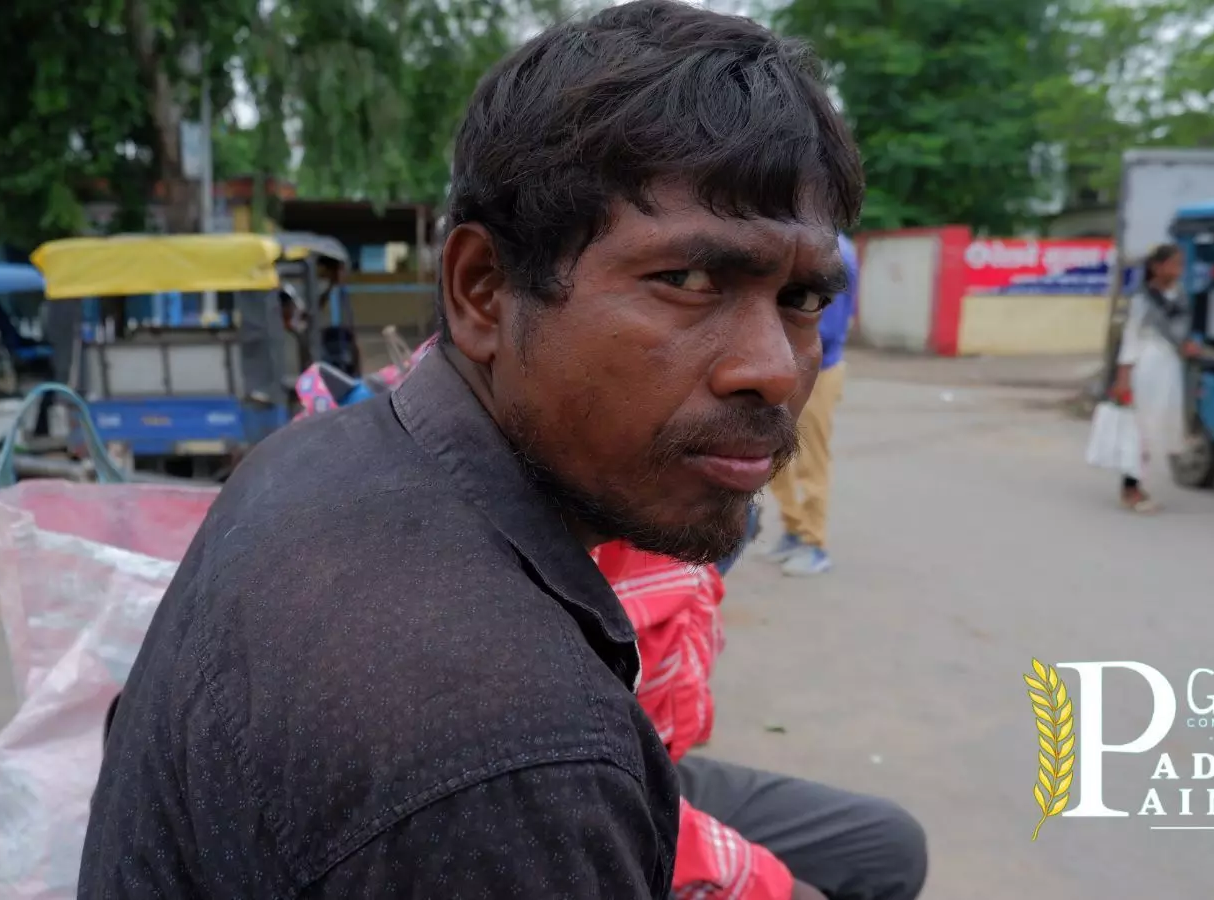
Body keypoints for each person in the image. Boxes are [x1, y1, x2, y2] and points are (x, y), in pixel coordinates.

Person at [79, 2, 864, 897]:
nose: (772, 369)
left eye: (801, 299)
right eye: (686, 280)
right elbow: (509, 770)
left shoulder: (316, 450)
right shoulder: (513, 752)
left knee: (879, 847)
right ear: (483, 291)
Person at [595, 540, 927, 900]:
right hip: (587, 796)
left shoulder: (676, 524)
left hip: (646, 765)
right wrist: (765, 886)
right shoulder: (550, 574)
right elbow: (579, 793)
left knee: (888, 847)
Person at [762, 233, 859, 575]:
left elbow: (825, 326)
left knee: (810, 457)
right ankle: (793, 529)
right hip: (783, 363)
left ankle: (815, 544)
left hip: (818, 367)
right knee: (775, 454)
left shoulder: (835, 252)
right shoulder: (798, 237)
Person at [1110, 243, 1192, 512]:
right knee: (1140, 429)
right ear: (1156, 267)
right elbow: (1131, 337)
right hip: (1146, 368)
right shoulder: (1143, 298)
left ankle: (1138, 484)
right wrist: (1123, 378)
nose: (1178, 270)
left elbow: (1181, 332)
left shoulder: (1179, 296)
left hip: (1169, 368)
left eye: (1181, 264)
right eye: (1173, 264)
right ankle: (1130, 488)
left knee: (1158, 427)